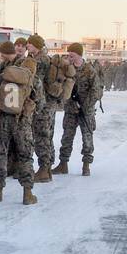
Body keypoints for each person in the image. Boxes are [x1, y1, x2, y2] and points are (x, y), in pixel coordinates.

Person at [0, 42, 39, 205]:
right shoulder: (30, 75)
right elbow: (39, 99)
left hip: (3, 119)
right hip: (22, 121)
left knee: (0, 154)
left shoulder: (5, 74)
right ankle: (27, 194)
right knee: (25, 155)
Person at [55, 44, 100, 176]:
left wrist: (86, 107)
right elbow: (62, 87)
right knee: (67, 137)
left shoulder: (89, 70)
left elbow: (96, 90)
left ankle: (86, 165)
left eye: (72, 55)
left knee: (87, 138)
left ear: (79, 55)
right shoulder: (66, 70)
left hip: (86, 111)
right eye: (68, 55)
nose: (70, 57)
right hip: (70, 109)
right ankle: (63, 164)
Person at [26, 35, 61, 182]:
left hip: (43, 104)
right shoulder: (44, 58)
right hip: (49, 104)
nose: (27, 46)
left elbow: (34, 82)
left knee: (41, 136)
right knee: (47, 135)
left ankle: (44, 170)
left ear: (36, 46)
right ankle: (47, 167)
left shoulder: (40, 60)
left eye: (29, 44)